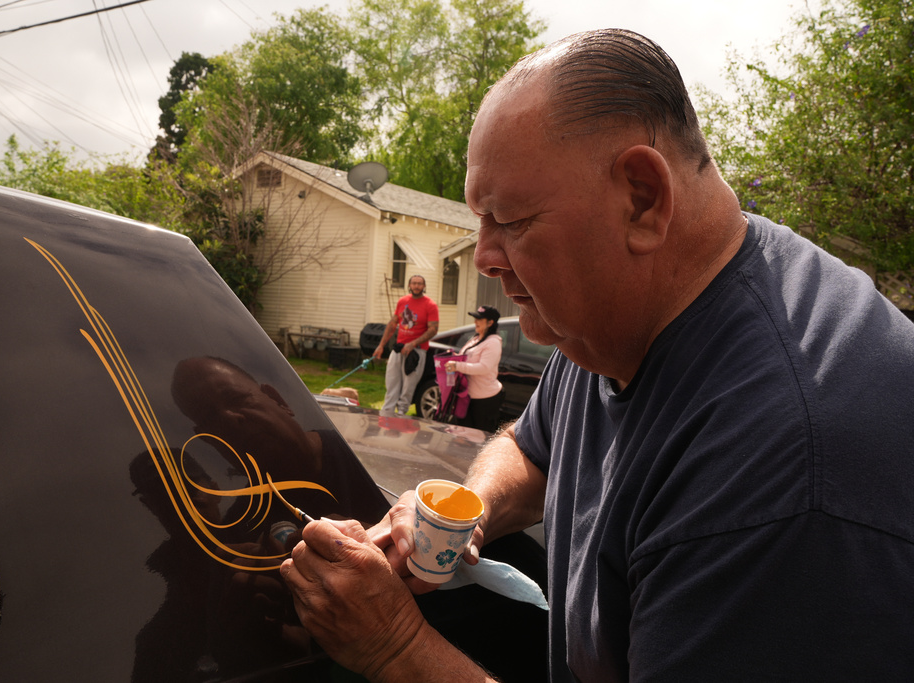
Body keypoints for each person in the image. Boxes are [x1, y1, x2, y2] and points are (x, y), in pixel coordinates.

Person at [279, 27, 914, 682]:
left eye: (513, 221)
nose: (487, 258)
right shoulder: (608, 323)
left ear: (642, 196)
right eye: (480, 219)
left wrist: (393, 647)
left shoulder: (781, 471)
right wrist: (469, 510)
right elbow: (531, 447)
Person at [372, 274, 440, 417]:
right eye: (414, 283)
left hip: (417, 351)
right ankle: (387, 413)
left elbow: (433, 329)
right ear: (409, 285)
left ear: (424, 286)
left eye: (419, 283)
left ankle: (401, 413)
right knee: (391, 381)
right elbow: (392, 324)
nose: (416, 286)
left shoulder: (430, 305)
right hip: (399, 348)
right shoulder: (403, 301)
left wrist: (413, 344)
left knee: (408, 386)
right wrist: (381, 345)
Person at [443, 305, 504, 432]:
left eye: (479, 319)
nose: (475, 322)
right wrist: (455, 358)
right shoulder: (475, 338)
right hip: (468, 396)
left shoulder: (493, 342)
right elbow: (466, 357)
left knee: (481, 436)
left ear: (490, 322)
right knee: (465, 436)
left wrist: (457, 366)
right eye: (475, 318)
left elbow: (484, 367)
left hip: (485, 398)